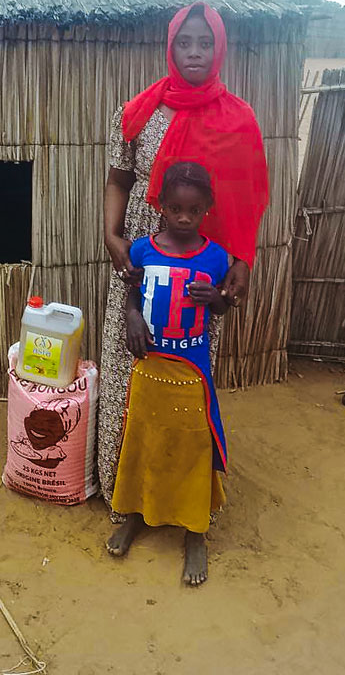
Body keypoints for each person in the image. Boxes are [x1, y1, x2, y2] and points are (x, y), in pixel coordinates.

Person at [98, 2, 269, 546]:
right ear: (170, 47)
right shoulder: (138, 112)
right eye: (184, 43)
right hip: (138, 263)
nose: (194, 52)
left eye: (205, 42)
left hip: (198, 273)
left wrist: (241, 260)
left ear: (219, 48)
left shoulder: (237, 119)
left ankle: (180, 496)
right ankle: (125, 492)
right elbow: (119, 180)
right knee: (130, 370)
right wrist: (112, 236)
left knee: (184, 387)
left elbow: (246, 198)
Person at [109, 162, 229, 585]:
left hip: (191, 371)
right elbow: (132, 293)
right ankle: (136, 515)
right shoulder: (142, 250)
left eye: (193, 211)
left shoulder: (216, 257)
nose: (183, 218)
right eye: (175, 209)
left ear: (207, 207)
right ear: (161, 205)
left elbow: (222, 307)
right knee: (143, 439)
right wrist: (132, 316)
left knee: (194, 447)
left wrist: (215, 297)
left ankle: (195, 532)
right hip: (149, 369)